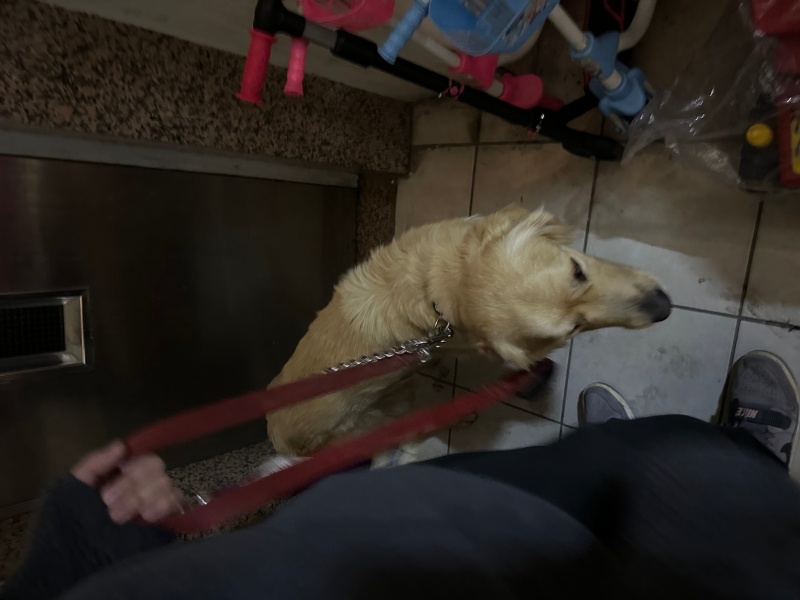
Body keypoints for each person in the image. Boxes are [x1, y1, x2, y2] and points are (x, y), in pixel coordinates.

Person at [3, 351, 800, 600]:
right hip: (467, 558)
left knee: (600, 474)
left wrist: (84, 530)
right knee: (679, 476)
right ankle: (750, 455)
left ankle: (615, 484)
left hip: (373, 528)